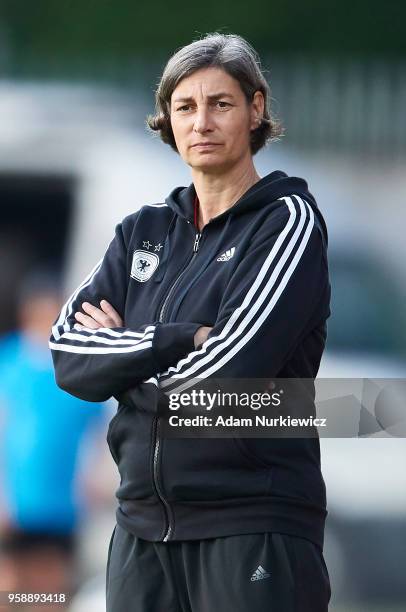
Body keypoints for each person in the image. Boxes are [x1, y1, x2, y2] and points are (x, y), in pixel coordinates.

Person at [49, 33, 331, 611]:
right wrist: (175, 340)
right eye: (185, 107)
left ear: (256, 109)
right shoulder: (141, 231)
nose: (201, 122)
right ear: (168, 120)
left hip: (252, 523)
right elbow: (68, 355)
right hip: (140, 528)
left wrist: (121, 361)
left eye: (220, 104)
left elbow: (224, 375)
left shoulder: (288, 224)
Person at [0, 271, 108, 610]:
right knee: (10, 581)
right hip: (15, 497)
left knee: (51, 585)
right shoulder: (10, 362)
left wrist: (95, 475)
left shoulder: (75, 364)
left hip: (61, 500)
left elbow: (98, 428)